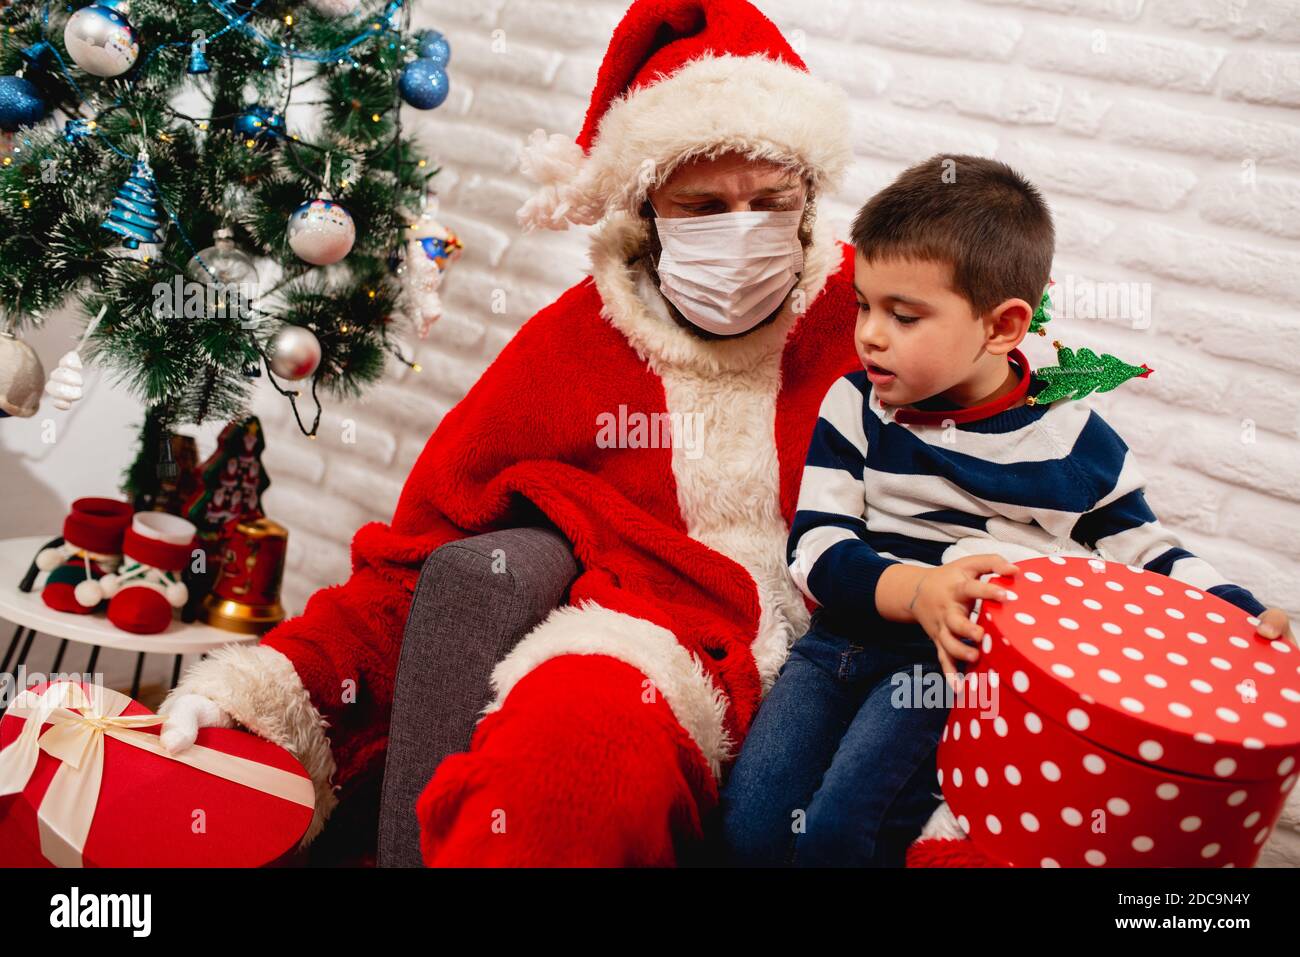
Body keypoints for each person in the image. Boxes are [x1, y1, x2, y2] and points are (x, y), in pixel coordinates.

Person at [156, 0, 863, 865]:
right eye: (704, 206)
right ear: (646, 210)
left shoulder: (883, 312)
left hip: (865, 634)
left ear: (809, 199)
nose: (743, 229)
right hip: (653, 640)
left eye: (771, 200)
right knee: (564, 759)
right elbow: (415, 562)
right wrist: (259, 692)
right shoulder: (573, 347)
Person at [721, 154, 1294, 867]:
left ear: (1001, 327)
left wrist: (1237, 613)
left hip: (951, 660)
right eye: (865, 304)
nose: (869, 333)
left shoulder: (1070, 439)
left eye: (904, 315)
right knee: (748, 826)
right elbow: (815, 544)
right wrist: (915, 589)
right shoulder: (855, 402)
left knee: (841, 831)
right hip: (838, 642)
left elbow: (1145, 549)